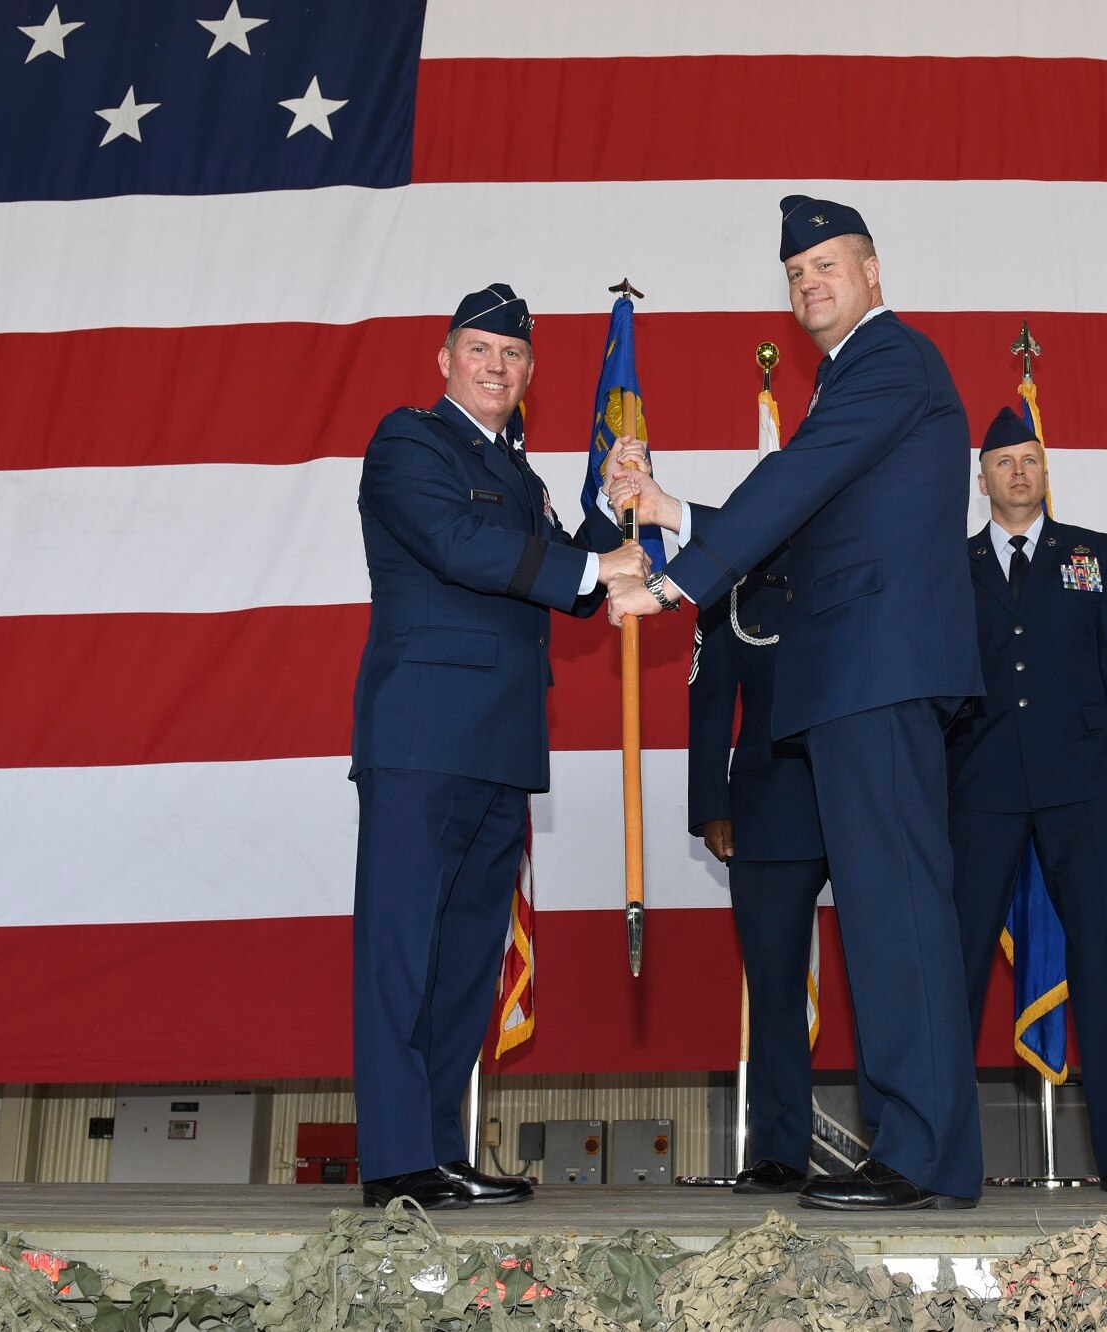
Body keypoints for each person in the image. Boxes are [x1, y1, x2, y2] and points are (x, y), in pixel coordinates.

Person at [604, 196, 986, 1210]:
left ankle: (920, 1154)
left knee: (896, 913)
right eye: (794, 273)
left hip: (879, 671)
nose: (809, 282)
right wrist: (669, 510)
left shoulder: (890, 360)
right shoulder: (847, 380)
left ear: (871, 272)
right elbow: (810, 515)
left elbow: (801, 480)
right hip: (856, 675)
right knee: (882, 913)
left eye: (827, 263)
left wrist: (677, 580)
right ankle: (919, 1148)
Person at [348, 283, 649, 1209]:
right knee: (403, 952)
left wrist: (614, 504)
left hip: (501, 743)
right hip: (423, 734)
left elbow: (568, 575)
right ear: (445, 360)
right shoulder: (410, 442)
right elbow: (457, 544)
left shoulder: (519, 473)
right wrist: (593, 565)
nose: (496, 366)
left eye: (513, 355)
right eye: (480, 349)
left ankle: (434, 1149)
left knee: (468, 958)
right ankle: (396, 1161)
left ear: (528, 374)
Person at [944, 406, 1107, 1193]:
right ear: (983, 479)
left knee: (1105, 960)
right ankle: (939, 1150)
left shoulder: (1093, 555)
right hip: (979, 786)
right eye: (1003, 462)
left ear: (1046, 470)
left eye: (1031, 459)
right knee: (956, 967)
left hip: (1079, 780)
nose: (1018, 472)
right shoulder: (951, 561)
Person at [687, 547, 848, 1194]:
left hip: (858, 798)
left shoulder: (854, 573)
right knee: (776, 990)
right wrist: (711, 807)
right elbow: (709, 705)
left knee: (888, 984)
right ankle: (779, 1150)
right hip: (769, 805)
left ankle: (902, 1144)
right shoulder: (732, 595)